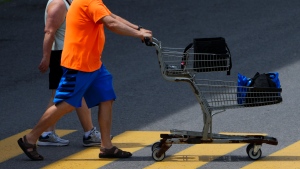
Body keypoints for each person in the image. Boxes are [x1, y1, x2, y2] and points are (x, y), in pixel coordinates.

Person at [17, 0, 152, 160]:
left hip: (94, 64)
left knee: (106, 97)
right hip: (79, 64)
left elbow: (111, 16)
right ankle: (30, 139)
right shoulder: (88, 1)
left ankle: (106, 146)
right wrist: (138, 34)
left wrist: (138, 28)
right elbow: (111, 23)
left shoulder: (93, 2)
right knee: (66, 103)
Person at [37, 0, 106, 147]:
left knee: (71, 93)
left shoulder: (69, 2)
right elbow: (49, 31)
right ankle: (45, 133)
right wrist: (46, 57)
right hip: (62, 55)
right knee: (70, 93)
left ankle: (50, 133)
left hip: (67, 53)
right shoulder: (58, 4)